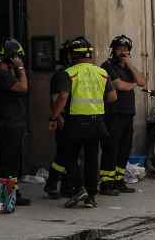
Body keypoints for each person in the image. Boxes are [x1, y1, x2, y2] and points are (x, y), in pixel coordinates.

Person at [49, 36, 117, 209]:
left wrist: (54, 117)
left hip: (76, 122)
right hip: (97, 123)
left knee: (69, 156)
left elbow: (63, 96)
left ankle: (79, 188)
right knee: (92, 159)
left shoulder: (69, 73)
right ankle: (91, 197)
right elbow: (112, 97)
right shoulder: (102, 73)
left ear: (72, 55)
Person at [99, 35, 146, 196]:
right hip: (113, 114)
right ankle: (106, 184)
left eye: (126, 50)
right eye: (120, 49)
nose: (123, 52)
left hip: (127, 113)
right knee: (111, 149)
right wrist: (133, 84)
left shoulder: (128, 67)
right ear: (113, 50)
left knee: (124, 149)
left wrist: (130, 64)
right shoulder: (107, 66)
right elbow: (120, 85)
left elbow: (142, 81)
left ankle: (119, 181)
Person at [0, 38, 31, 207]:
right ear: (12, 57)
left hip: (7, 122)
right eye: (18, 57)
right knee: (10, 161)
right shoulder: (2, 74)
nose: (20, 60)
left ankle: (3, 192)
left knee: (6, 160)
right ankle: (9, 194)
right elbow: (23, 88)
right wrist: (20, 69)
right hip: (8, 123)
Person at [44, 41, 73, 200]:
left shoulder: (74, 72)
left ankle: (55, 183)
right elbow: (56, 98)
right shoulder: (61, 75)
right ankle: (57, 184)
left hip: (76, 119)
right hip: (65, 119)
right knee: (65, 154)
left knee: (65, 155)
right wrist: (58, 117)